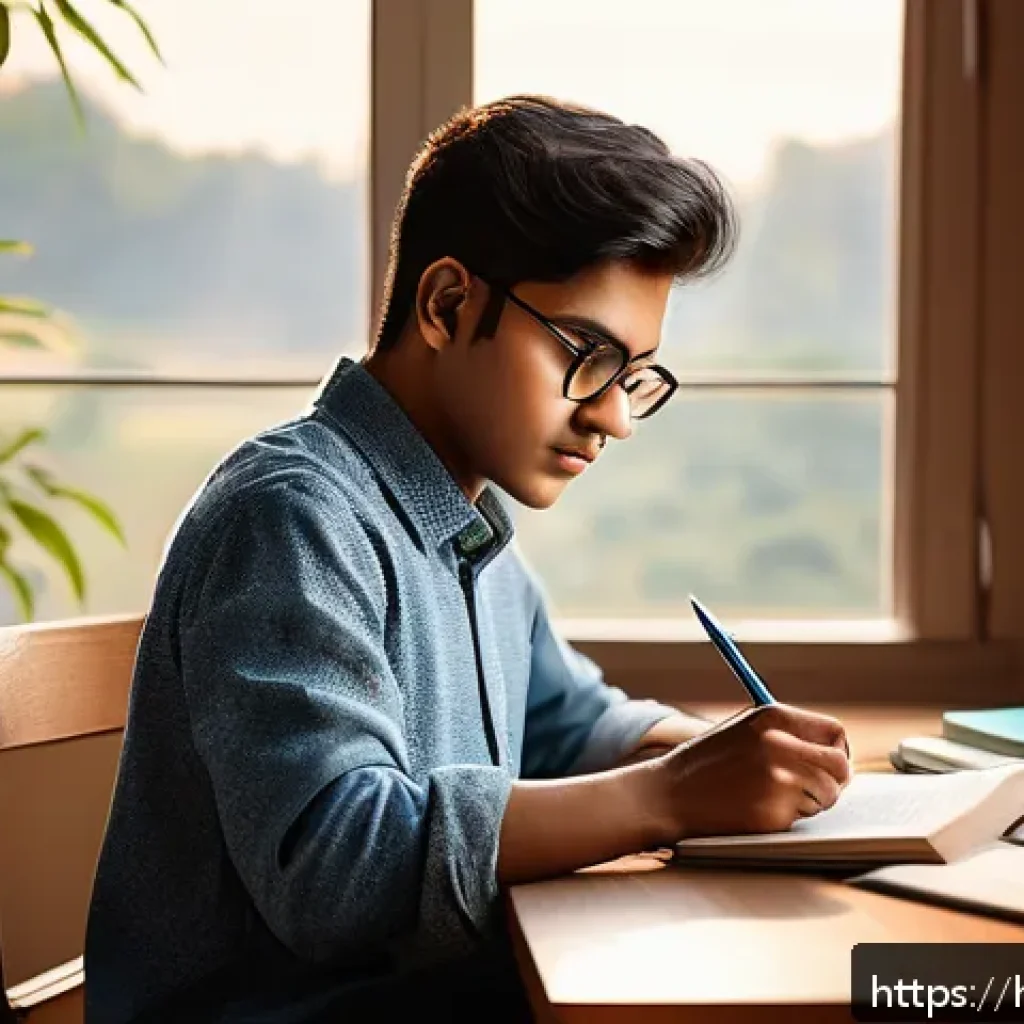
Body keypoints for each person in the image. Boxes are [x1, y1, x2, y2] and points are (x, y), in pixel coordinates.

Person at [84, 95, 851, 1023]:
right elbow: (341, 870)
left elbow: (571, 725)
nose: (611, 415)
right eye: (588, 356)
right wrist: (671, 796)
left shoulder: (469, 533)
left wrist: (717, 757)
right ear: (448, 304)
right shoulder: (291, 517)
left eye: (635, 375)